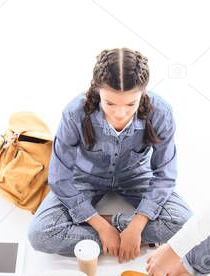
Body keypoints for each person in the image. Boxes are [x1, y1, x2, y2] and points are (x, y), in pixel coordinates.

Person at [28, 47, 191, 261]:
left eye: (131, 104)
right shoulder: (74, 113)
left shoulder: (161, 112)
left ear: (143, 93)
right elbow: (59, 177)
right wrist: (101, 227)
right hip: (85, 177)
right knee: (40, 234)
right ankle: (115, 234)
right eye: (110, 103)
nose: (120, 113)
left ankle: (116, 232)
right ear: (97, 90)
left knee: (186, 224)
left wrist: (136, 225)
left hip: (135, 176)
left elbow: (165, 175)